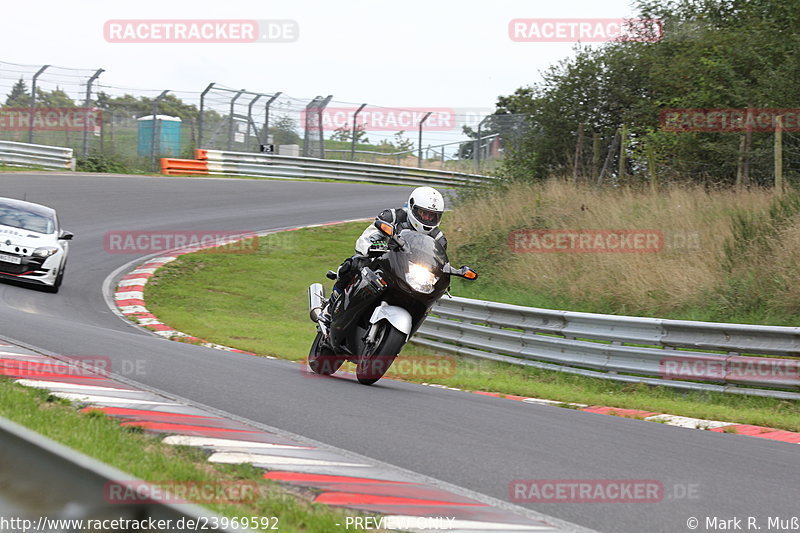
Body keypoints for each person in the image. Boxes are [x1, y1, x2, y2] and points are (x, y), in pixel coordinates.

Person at [318, 186, 447, 329]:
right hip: (383, 263)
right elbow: (367, 237)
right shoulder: (392, 217)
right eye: (423, 213)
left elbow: (438, 262)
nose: (427, 218)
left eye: (432, 215)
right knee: (353, 264)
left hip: (410, 274)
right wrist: (370, 247)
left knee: (426, 303)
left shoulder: (439, 239)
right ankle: (330, 306)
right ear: (412, 208)